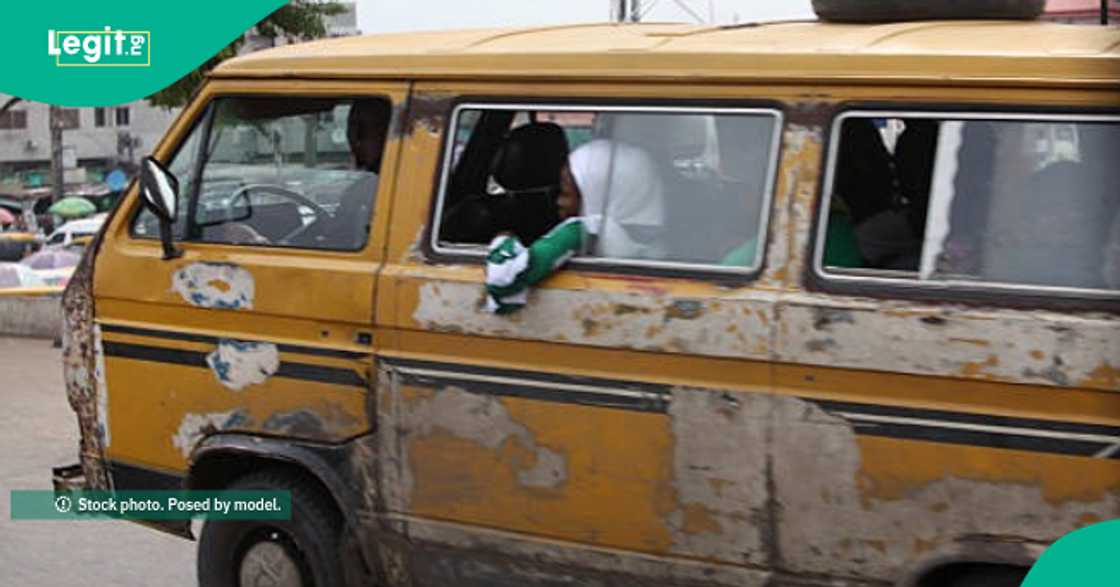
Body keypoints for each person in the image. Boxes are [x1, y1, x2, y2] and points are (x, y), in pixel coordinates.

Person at [484, 140, 664, 313]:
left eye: (565, 193)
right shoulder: (661, 241)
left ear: (596, 193)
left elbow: (505, 278)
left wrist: (503, 239)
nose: (558, 202)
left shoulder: (587, 229)